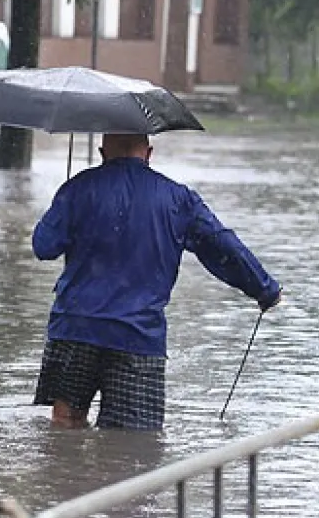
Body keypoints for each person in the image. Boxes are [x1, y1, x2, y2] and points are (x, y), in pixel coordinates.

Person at [30, 133, 282, 431]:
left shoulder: (78, 188)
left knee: (65, 426)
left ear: (102, 151)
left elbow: (43, 246)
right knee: (129, 445)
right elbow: (223, 246)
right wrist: (264, 289)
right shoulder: (179, 199)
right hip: (137, 337)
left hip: (75, 329)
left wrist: (68, 207)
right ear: (149, 153)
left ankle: (65, 478)